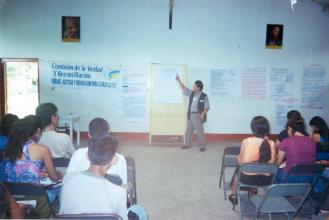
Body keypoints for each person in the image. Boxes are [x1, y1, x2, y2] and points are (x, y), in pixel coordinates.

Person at [3, 116, 62, 218]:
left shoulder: (7, 149)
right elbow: (54, 178)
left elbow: (16, 170)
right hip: (37, 200)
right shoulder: (42, 149)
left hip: (11, 198)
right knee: (61, 187)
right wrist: (60, 174)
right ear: (38, 131)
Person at [59, 135, 128, 219]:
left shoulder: (67, 179)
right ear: (113, 160)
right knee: (139, 210)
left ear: (87, 156)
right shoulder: (119, 193)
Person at [229, 116, 276, 204]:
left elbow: (241, 161)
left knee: (240, 166)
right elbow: (272, 162)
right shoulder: (272, 144)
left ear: (253, 129)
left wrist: (239, 159)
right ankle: (253, 191)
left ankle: (234, 194)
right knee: (257, 166)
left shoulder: (246, 141)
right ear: (267, 129)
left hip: (247, 179)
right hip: (266, 180)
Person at [66, 118, 127, 185]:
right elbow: (123, 184)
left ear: (89, 135)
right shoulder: (119, 159)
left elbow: (68, 179)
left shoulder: (78, 154)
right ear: (108, 133)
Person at [276, 116, 316, 183]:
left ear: (290, 128)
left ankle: (281, 192)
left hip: (290, 178)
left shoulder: (286, 141)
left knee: (275, 173)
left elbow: (278, 163)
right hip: (309, 178)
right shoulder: (312, 141)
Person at [176, 75, 210, 151]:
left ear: (198, 88)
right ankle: (187, 144)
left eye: (194, 86)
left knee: (199, 131)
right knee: (188, 130)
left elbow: (207, 107)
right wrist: (178, 80)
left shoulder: (204, 96)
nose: (193, 87)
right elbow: (184, 88)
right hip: (190, 114)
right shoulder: (192, 93)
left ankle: (202, 146)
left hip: (198, 115)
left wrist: (202, 114)